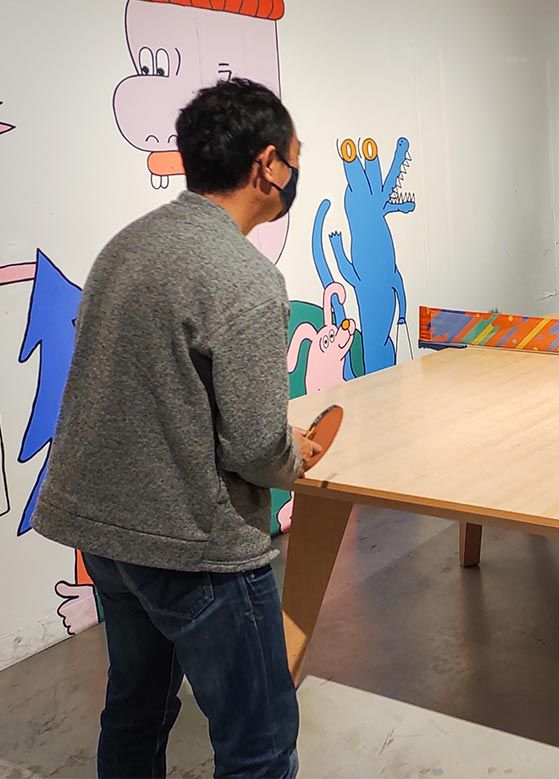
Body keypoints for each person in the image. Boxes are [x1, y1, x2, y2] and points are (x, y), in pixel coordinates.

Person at [32, 78, 319, 779]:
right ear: (267, 165)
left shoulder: (124, 248)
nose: (295, 173)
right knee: (259, 741)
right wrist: (294, 456)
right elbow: (255, 445)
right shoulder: (245, 277)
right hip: (195, 546)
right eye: (294, 158)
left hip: (107, 534)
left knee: (135, 712)